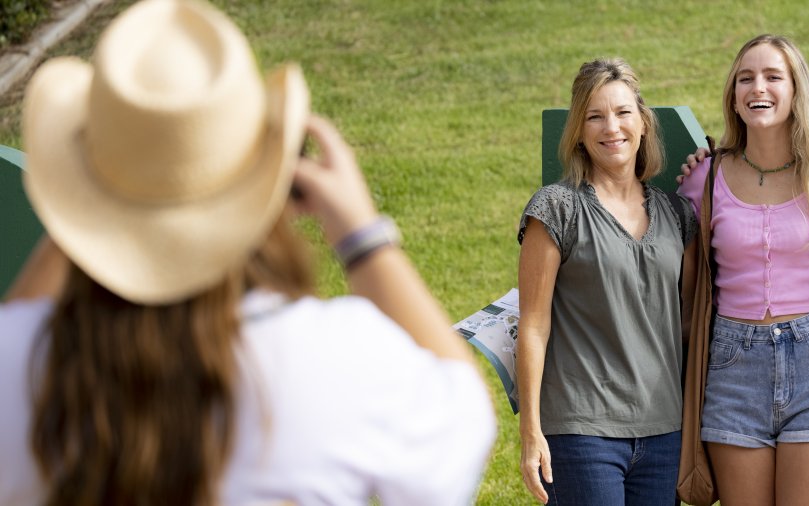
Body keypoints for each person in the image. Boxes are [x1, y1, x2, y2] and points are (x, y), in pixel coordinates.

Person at [0, 0, 495, 504]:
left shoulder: (17, 366)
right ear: (275, 182)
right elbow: (465, 420)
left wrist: (89, 207)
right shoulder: (339, 363)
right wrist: (365, 240)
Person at [676, 34, 809, 505]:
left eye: (772, 76)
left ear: (796, 90)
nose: (757, 87)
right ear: (734, 98)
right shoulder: (705, 179)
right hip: (732, 368)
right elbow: (682, 287)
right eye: (746, 78)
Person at [516, 58, 697, 506]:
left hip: (664, 433)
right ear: (579, 130)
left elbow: (689, 325)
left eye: (622, 113)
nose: (610, 127)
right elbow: (533, 327)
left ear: (643, 123)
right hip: (581, 432)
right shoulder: (556, 209)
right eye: (594, 116)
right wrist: (530, 431)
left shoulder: (679, 215)